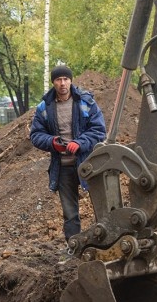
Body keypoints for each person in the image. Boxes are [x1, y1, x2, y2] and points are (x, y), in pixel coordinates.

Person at [29, 64, 107, 244]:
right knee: (70, 212)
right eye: (58, 79)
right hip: (63, 166)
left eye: (65, 79)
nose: (62, 83)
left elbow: (99, 130)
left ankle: (106, 240)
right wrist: (52, 142)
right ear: (53, 83)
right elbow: (35, 135)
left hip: (89, 164)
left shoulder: (85, 102)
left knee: (101, 205)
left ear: (71, 81)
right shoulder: (44, 108)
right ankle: (74, 246)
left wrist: (79, 143)